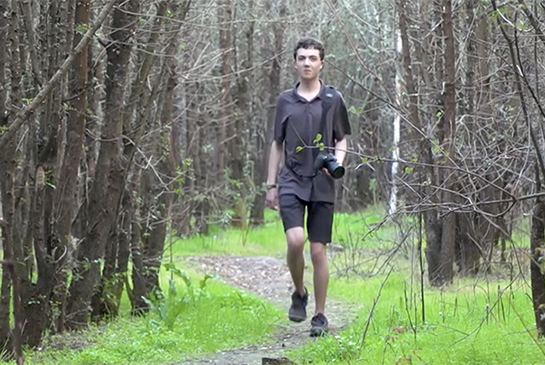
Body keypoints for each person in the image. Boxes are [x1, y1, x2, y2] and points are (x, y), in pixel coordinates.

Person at [265, 37, 351, 337]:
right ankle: (299, 293)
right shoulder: (285, 101)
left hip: (322, 182)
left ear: (321, 63)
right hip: (291, 179)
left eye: (313, 58)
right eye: (302, 58)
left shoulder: (332, 99)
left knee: (317, 251)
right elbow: (277, 143)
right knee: (295, 241)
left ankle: (320, 315)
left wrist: (336, 162)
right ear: (294, 63)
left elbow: (341, 138)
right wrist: (271, 184)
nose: (307, 63)